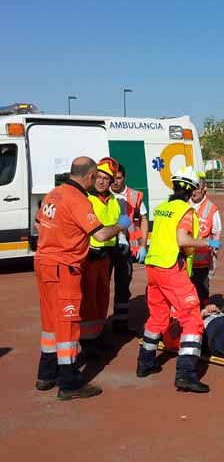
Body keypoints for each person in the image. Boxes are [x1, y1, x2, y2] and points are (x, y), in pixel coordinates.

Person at [34, 156, 131, 400]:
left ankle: (46, 374)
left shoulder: (54, 194)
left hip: (44, 263)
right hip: (65, 266)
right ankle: (69, 382)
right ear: (89, 176)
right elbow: (101, 235)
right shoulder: (78, 200)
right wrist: (121, 225)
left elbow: (38, 226)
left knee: (50, 322)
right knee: (67, 323)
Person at [135, 166, 221, 393]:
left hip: (154, 267)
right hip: (171, 268)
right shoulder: (185, 211)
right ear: (192, 189)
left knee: (158, 317)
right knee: (192, 318)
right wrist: (208, 243)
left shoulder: (163, 208)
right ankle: (186, 374)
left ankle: (145, 363)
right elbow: (182, 240)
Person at [79, 157, 122, 350]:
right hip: (88, 256)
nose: (102, 181)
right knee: (88, 300)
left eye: (107, 178)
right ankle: (88, 342)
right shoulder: (86, 198)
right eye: (100, 177)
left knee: (103, 297)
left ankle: (98, 333)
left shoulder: (113, 200)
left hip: (106, 256)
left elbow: (114, 226)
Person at [110, 165, 149, 326]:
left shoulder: (135, 195)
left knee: (123, 285)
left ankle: (121, 323)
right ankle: (100, 324)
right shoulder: (104, 194)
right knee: (101, 286)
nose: (115, 182)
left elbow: (144, 220)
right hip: (107, 246)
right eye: (113, 178)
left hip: (126, 249)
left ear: (124, 178)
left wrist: (143, 245)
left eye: (118, 178)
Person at [189, 174, 222, 303]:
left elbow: (217, 233)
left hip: (202, 261)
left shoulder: (212, 209)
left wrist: (215, 254)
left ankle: (203, 316)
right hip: (185, 259)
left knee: (202, 291)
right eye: (192, 188)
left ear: (204, 189)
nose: (194, 191)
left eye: (197, 188)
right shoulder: (184, 204)